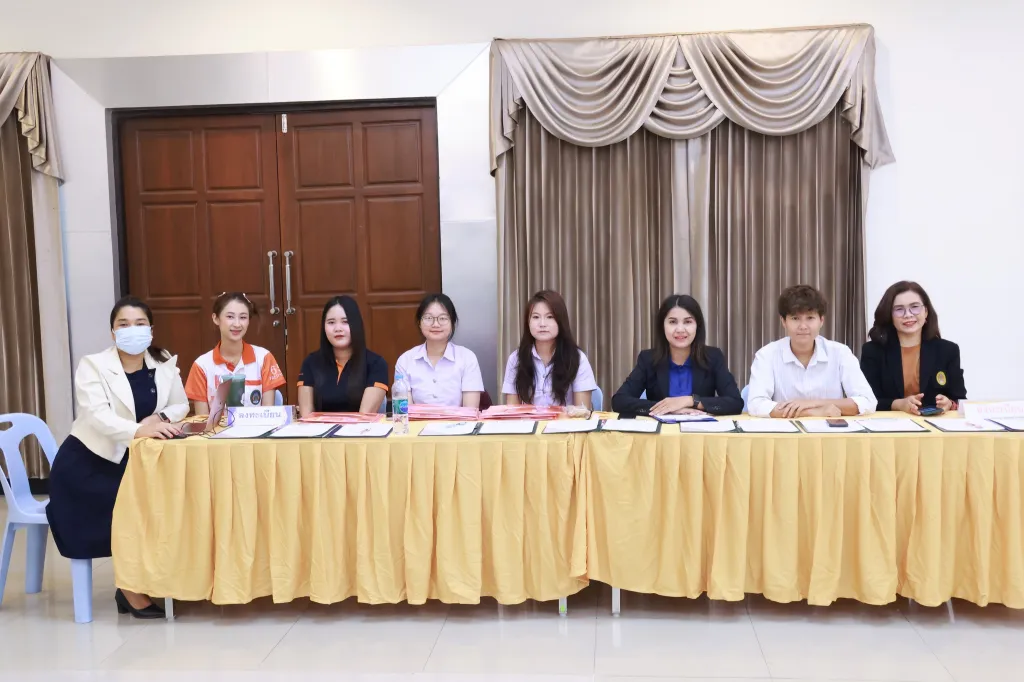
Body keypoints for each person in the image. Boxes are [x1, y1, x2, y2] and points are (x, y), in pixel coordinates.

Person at [45, 296, 188, 619]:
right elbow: (97, 416)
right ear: (112, 332)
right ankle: (130, 590)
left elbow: (180, 404)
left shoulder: (163, 361)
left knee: (167, 500)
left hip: (137, 460)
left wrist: (159, 418)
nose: (131, 330)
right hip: (88, 464)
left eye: (139, 323)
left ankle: (151, 576)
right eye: (123, 324)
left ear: (151, 329)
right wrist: (140, 430)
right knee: (129, 505)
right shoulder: (93, 365)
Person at [747, 284, 876, 418]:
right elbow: (756, 404)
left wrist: (814, 403)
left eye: (810, 318)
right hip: (785, 430)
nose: (803, 326)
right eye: (795, 318)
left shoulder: (840, 353)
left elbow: (867, 401)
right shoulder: (766, 355)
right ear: (783, 321)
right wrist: (812, 412)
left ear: (821, 320)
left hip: (830, 430)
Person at [612, 294, 743, 417]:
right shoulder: (648, 359)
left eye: (688, 322)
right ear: (662, 326)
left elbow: (735, 402)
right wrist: (668, 408)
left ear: (697, 326)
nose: (680, 329)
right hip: (662, 432)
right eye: (673, 322)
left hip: (700, 430)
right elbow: (619, 400)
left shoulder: (713, 357)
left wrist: (690, 401)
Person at [860, 281, 966, 414]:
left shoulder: (948, 350)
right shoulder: (873, 351)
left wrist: (949, 403)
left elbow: (960, 398)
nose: (908, 315)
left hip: (934, 423)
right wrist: (898, 404)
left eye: (915, 307)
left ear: (926, 311)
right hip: (891, 423)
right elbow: (866, 400)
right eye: (899, 309)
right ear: (890, 315)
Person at [185, 292, 286, 412]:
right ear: (216, 318)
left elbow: (267, 414)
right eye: (230, 317)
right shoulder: (201, 365)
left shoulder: (264, 358)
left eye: (243, 317)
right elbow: (202, 419)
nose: (237, 324)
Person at [502, 290, 597, 408]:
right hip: (527, 420)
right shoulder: (516, 359)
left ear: (561, 321)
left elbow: (582, 412)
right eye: (536, 317)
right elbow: (512, 411)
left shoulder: (577, 358)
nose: (542, 324)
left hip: (566, 420)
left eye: (550, 317)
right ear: (528, 322)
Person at [296, 295, 388, 416]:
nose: (338, 328)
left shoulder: (376, 364)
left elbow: (364, 416)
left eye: (345, 322)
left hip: (360, 428)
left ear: (356, 325)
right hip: (318, 428)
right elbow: (306, 415)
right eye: (331, 322)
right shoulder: (310, 362)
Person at [394, 293, 484, 407]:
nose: (436, 324)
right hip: (417, 420)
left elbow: (470, 410)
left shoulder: (467, 358)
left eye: (442, 318)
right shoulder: (405, 360)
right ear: (419, 322)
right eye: (428, 318)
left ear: (452, 323)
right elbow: (405, 412)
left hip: (457, 419)